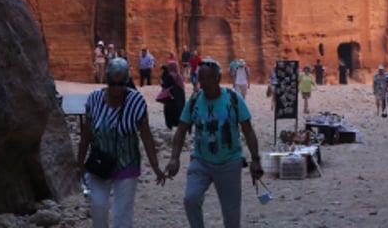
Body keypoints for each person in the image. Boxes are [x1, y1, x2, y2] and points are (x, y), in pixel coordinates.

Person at [165, 58, 263, 228]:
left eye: (209, 79)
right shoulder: (195, 99)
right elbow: (181, 129)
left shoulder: (233, 98)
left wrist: (255, 159)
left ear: (218, 78)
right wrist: (174, 157)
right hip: (201, 160)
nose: (204, 83)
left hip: (229, 161)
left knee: (231, 213)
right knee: (191, 199)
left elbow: (247, 129)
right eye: (201, 79)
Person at [78, 58, 166, 228]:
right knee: (98, 207)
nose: (116, 88)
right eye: (113, 83)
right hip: (99, 163)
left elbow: (146, 136)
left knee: (122, 214)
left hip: (127, 163)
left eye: (121, 84)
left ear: (126, 82)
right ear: (107, 80)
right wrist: (79, 163)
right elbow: (87, 133)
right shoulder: (94, 100)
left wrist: (155, 166)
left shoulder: (136, 102)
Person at [159, 60, 188, 130]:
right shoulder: (179, 76)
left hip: (171, 98)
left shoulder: (170, 76)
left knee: (169, 111)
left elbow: (165, 86)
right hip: (179, 98)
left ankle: (170, 125)